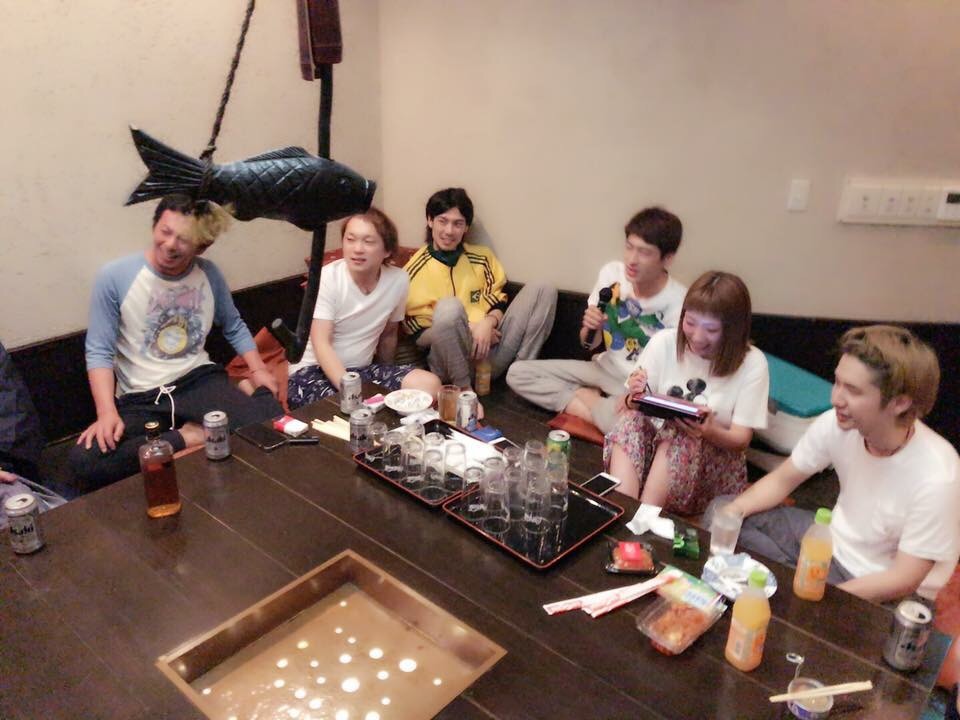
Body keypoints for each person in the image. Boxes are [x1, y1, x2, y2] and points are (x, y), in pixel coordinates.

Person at [719, 325, 959, 603]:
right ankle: (786, 589)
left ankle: (785, 592)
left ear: (900, 403)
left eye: (853, 391)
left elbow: (903, 579)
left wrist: (823, 598)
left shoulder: (939, 475)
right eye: (837, 382)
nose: (835, 399)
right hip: (827, 546)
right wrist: (732, 513)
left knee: (828, 616)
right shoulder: (837, 423)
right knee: (722, 512)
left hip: (883, 589)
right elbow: (782, 479)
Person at [70, 194, 282, 490]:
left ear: (201, 245)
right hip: (142, 399)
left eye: (183, 239)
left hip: (199, 383)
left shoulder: (209, 274)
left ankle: (248, 392)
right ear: (154, 226)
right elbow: (99, 351)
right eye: (165, 232)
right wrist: (106, 412)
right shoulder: (114, 277)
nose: (170, 245)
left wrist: (258, 370)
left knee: (273, 425)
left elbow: (233, 325)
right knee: (86, 461)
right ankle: (190, 436)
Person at [506, 207, 686, 432]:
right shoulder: (612, 275)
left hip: (638, 389)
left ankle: (587, 400)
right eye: (629, 247)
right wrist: (593, 327)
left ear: (667, 259)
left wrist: (629, 398)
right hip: (603, 369)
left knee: (639, 428)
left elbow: (670, 374)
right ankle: (595, 406)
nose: (632, 259)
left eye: (644, 253)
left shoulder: (679, 303)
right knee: (518, 373)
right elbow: (588, 344)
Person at [604, 271, 769, 514]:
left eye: (711, 329)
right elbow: (626, 406)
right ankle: (621, 509)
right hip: (653, 457)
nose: (697, 337)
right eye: (690, 323)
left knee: (679, 433)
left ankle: (643, 516)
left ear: (733, 329)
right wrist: (634, 396)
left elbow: (741, 439)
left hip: (710, 471)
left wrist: (710, 431)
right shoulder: (664, 342)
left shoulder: (752, 363)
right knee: (630, 421)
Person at [403, 187, 557, 389]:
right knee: (449, 308)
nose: (449, 231)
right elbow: (419, 337)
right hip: (448, 364)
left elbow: (498, 302)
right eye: (442, 221)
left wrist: (488, 323)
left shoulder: (482, 257)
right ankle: (464, 391)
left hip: (488, 355)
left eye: (458, 223)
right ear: (430, 221)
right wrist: (469, 330)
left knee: (543, 289)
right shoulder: (412, 271)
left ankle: (522, 376)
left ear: (466, 227)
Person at [287, 208, 441, 407]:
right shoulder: (327, 277)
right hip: (313, 371)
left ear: (387, 250)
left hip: (361, 371)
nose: (357, 249)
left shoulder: (398, 280)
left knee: (429, 384)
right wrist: (352, 392)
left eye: (368, 242)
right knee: (347, 410)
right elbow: (321, 343)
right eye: (350, 240)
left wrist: (387, 379)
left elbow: (389, 334)